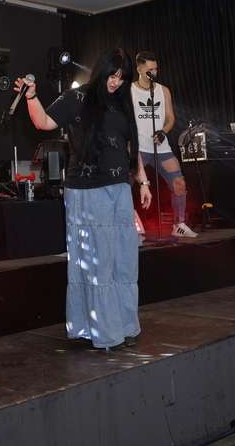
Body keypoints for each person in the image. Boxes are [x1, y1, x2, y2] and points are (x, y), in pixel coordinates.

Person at [18, 49, 152, 350]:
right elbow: (44, 122)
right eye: (112, 76)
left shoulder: (122, 103)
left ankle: (124, 325)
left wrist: (143, 181)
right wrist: (31, 97)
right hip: (87, 190)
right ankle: (102, 331)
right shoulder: (77, 98)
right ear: (101, 71)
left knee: (124, 261)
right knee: (97, 263)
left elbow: (131, 148)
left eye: (121, 78)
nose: (116, 82)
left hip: (119, 188)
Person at [131, 51, 196, 238]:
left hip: (161, 147)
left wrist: (163, 132)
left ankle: (179, 224)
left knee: (179, 182)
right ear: (139, 69)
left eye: (156, 69)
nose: (153, 72)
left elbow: (170, 118)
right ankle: (129, 227)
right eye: (149, 69)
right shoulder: (130, 91)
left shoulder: (163, 90)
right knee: (123, 185)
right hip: (138, 148)